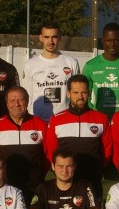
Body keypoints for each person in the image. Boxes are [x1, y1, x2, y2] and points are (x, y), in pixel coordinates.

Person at [44, 74, 112, 202]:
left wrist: (97, 168)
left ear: (89, 93)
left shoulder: (101, 118)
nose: (80, 97)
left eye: (84, 92)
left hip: (92, 179)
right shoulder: (57, 119)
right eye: (75, 92)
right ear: (68, 94)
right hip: (66, 180)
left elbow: (107, 150)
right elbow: (51, 151)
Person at [0, 85, 48, 205]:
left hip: (35, 185)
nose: (16, 104)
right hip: (7, 185)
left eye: (20, 100)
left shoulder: (40, 124)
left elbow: (47, 154)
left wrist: (39, 175)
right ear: (6, 103)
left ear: (27, 101)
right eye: (12, 100)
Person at [23, 21, 80, 122]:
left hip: (65, 122)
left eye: (54, 37)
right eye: (46, 37)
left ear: (60, 37)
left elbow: (76, 94)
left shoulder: (71, 63)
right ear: (40, 38)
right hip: (38, 123)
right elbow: (28, 96)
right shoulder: (30, 65)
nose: (51, 41)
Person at [83, 22, 119, 118]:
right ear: (102, 41)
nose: (112, 44)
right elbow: (84, 94)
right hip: (100, 119)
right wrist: (94, 112)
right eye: (108, 40)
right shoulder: (90, 66)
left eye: (116, 40)